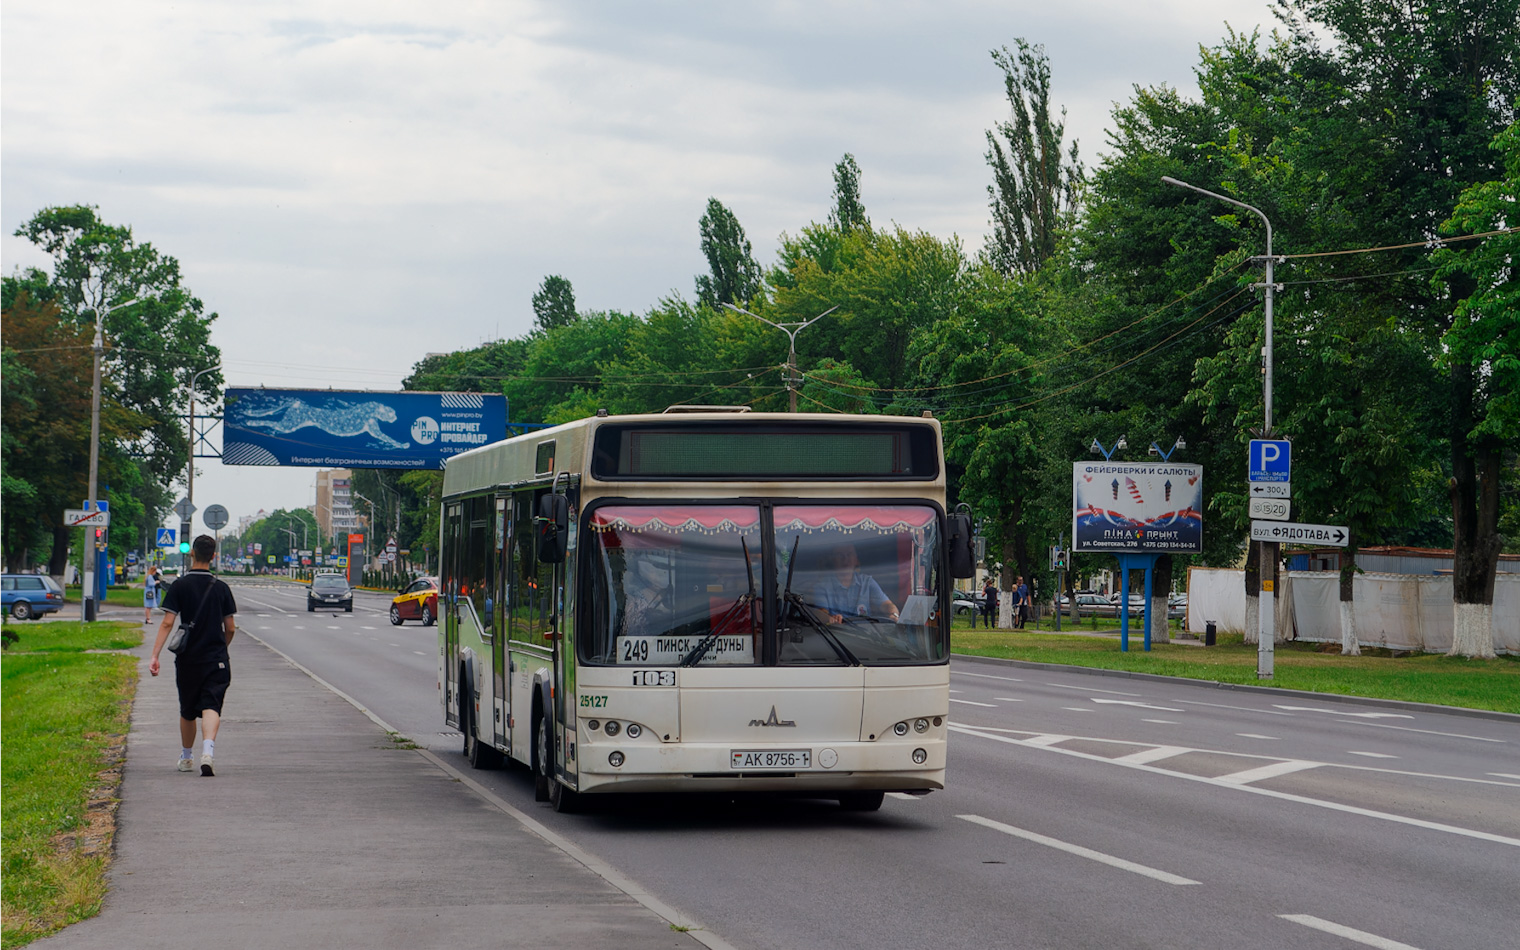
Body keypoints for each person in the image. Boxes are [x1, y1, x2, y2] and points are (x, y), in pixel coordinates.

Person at [149, 535, 237, 777]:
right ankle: (207, 752)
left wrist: (155, 655)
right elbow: (230, 627)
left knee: (188, 709)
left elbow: (168, 623)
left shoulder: (180, 586)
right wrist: (222, 647)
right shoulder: (221, 588)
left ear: (192, 555)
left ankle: (187, 757)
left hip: (188, 659)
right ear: (214, 556)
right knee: (211, 705)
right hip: (216, 659)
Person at [811, 543, 899, 624]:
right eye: (840, 555)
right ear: (833, 560)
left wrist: (893, 614)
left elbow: (887, 605)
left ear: (856, 560)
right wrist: (829, 617)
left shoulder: (867, 582)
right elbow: (821, 613)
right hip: (835, 636)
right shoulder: (822, 586)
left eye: (849, 554)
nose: (845, 559)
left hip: (866, 637)